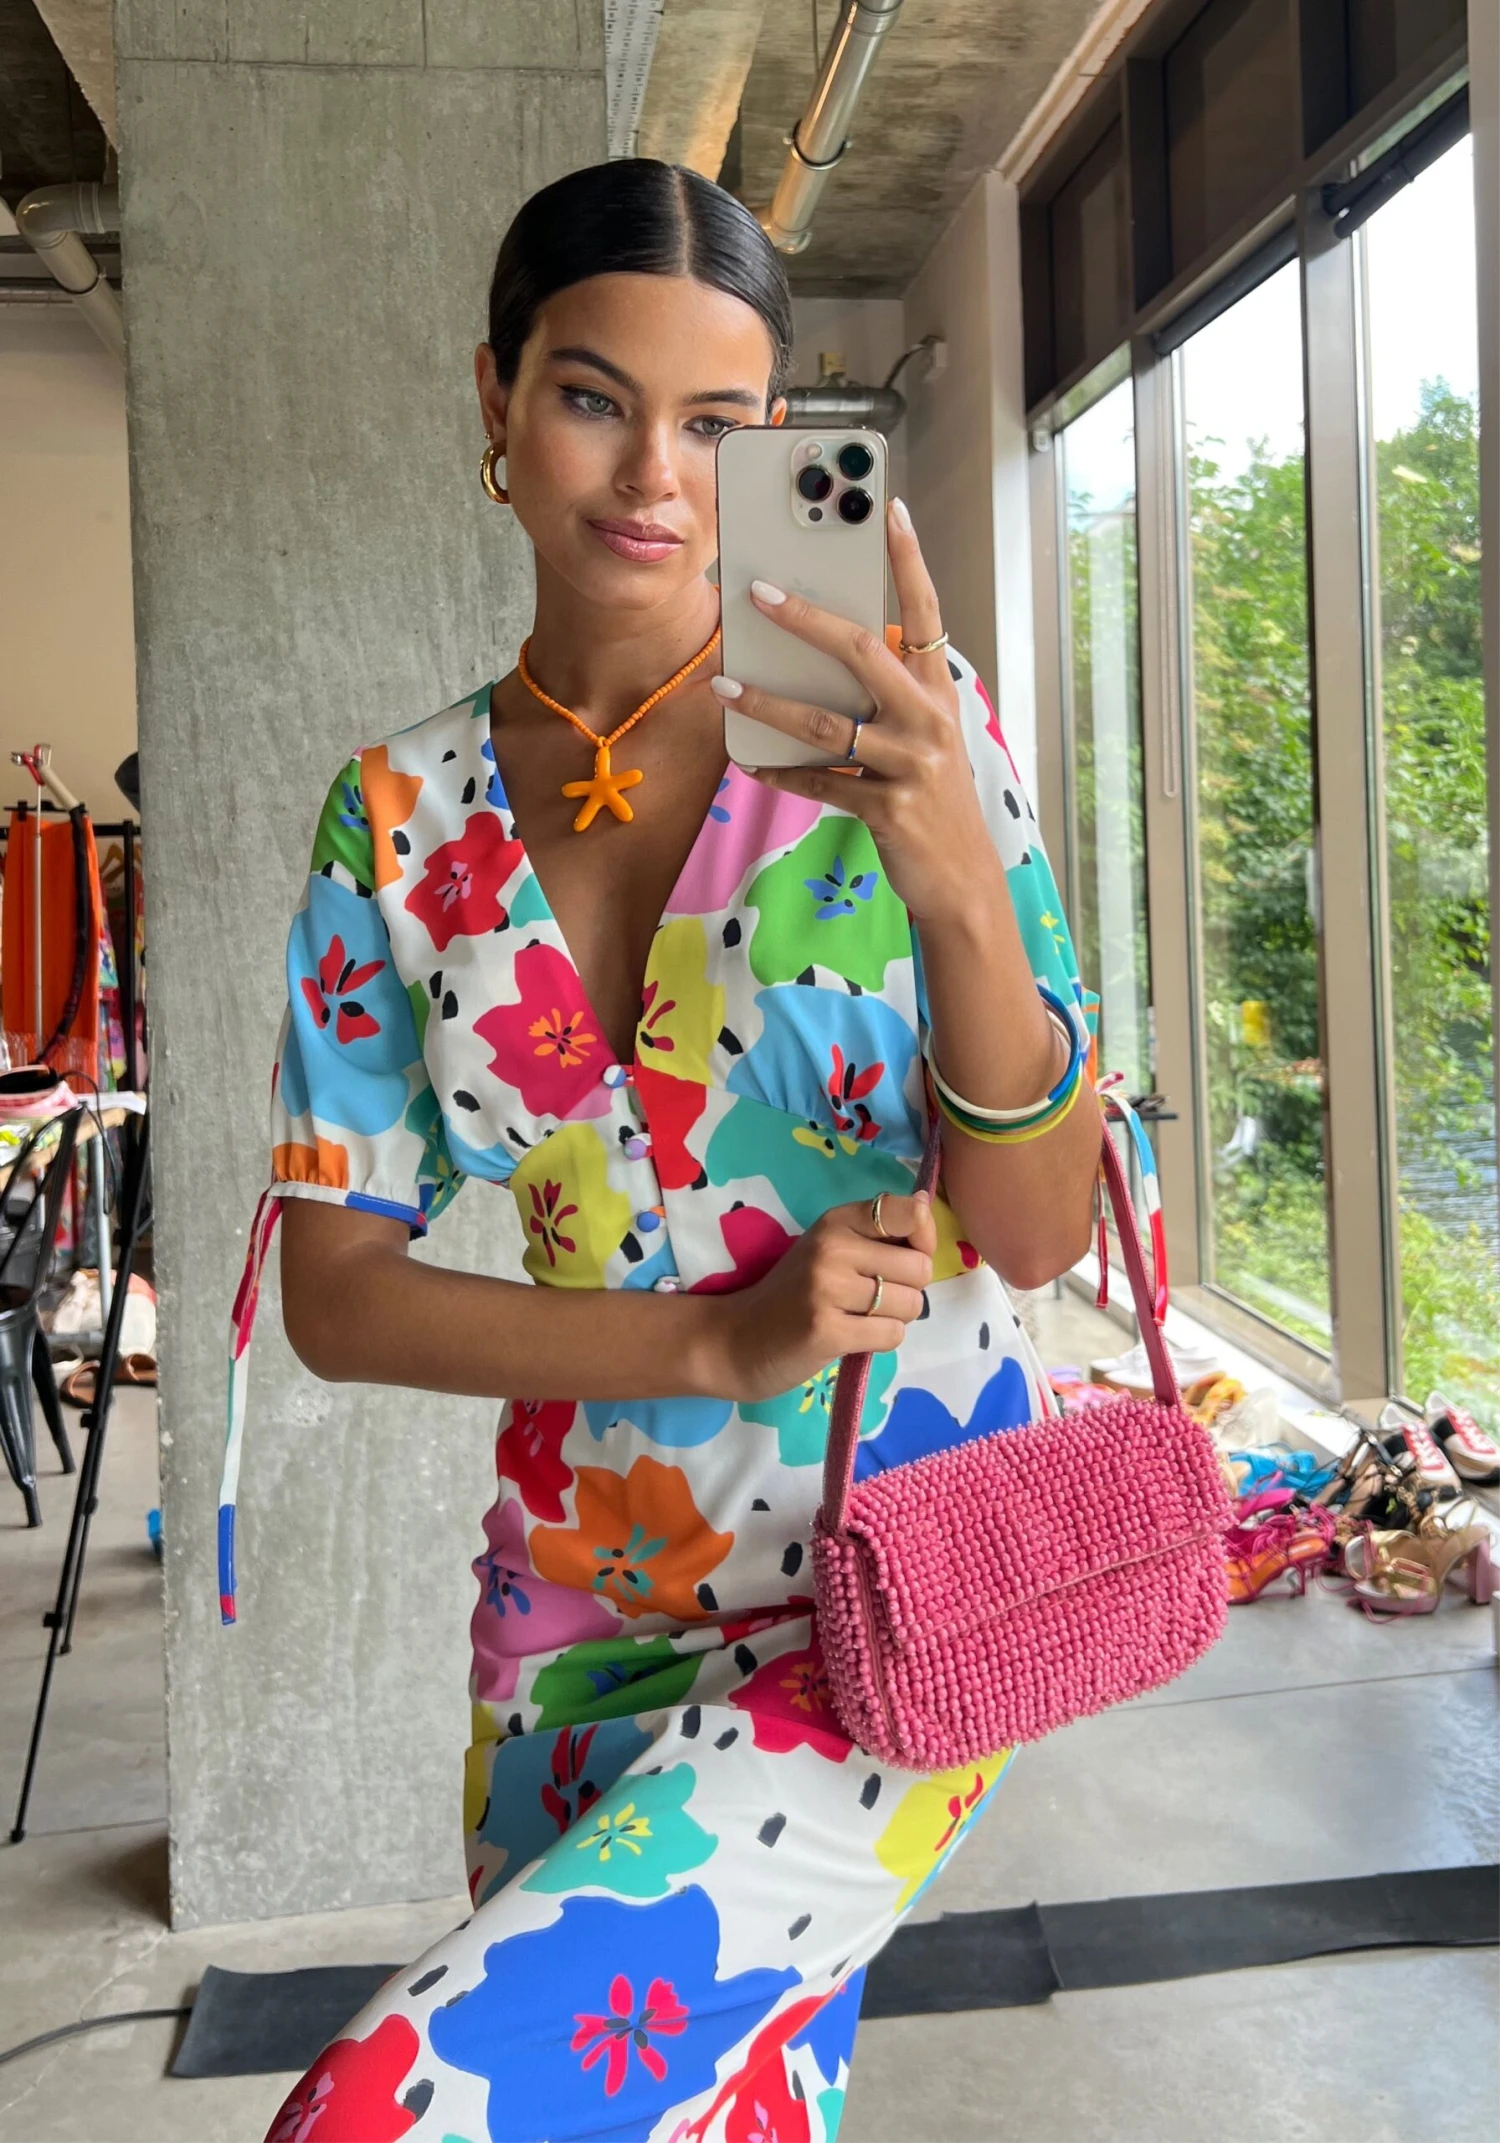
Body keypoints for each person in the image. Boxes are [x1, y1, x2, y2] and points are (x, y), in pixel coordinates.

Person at [243, 158, 1101, 2143]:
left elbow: (1040, 1227)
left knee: (390, 2111)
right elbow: (336, 1295)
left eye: (719, 422)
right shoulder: (396, 819)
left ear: (780, 442)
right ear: (496, 402)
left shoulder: (906, 730)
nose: (654, 474)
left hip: (906, 1593)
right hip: (576, 1612)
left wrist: (952, 880)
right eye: (592, 396)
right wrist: (714, 1343)